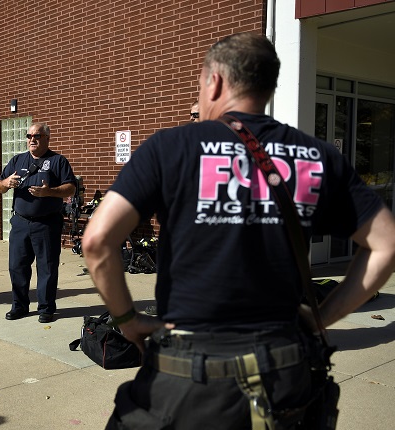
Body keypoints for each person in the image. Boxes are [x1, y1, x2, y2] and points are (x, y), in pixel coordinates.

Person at [82, 32, 395, 429]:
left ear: (214, 82)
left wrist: (126, 319)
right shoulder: (317, 156)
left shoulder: (170, 147)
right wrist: (323, 317)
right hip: (284, 377)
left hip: (189, 377)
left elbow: (96, 240)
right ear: (266, 86)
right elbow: (386, 243)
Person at [0, 122, 76, 323]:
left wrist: (49, 192)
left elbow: (71, 188)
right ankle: (20, 306)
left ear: (47, 138)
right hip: (21, 223)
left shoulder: (58, 161)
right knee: (17, 266)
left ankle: (46, 308)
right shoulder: (17, 160)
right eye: (29, 136)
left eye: (37, 136)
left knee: (47, 267)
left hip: (47, 223)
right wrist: (6, 184)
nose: (32, 139)